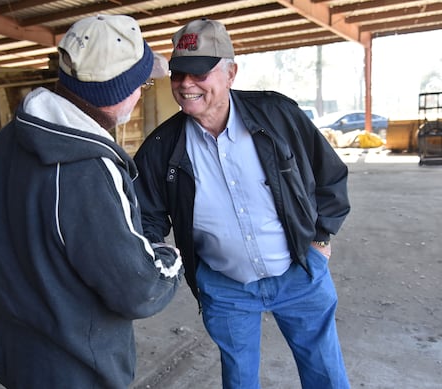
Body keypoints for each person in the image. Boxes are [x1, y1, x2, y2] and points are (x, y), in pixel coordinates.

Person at [133, 18, 351, 389]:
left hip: (299, 272)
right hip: (225, 287)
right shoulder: (159, 148)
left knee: (324, 372)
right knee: (239, 380)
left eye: (200, 73)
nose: (187, 84)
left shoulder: (278, 116)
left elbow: (329, 174)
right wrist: (159, 257)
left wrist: (321, 239)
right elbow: (146, 216)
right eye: (179, 73)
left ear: (231, 72)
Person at [0, 14, 183, 389]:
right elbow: (138, 289)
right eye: (141, 83)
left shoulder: (7, 141)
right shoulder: (86, 169)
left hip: (17, 356)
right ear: (116, 92)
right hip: (75, 372)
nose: (142, 93)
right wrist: (168, 257)